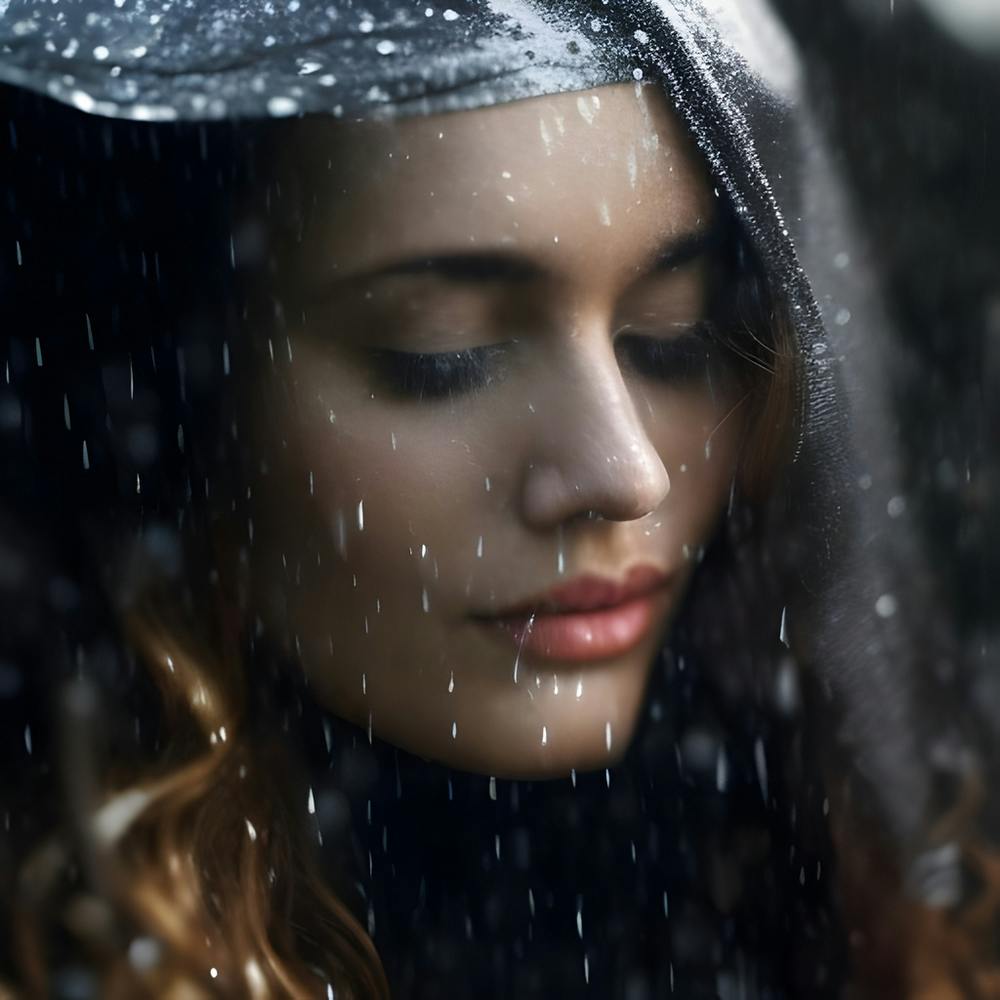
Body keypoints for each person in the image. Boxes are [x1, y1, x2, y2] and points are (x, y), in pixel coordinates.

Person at [0, 1, 991, 997]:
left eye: (674, 336)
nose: (625, 474)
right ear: (173, 395)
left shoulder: (838, 884)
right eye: (442, 355)